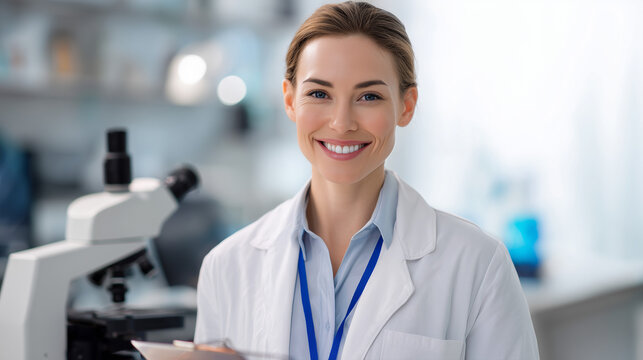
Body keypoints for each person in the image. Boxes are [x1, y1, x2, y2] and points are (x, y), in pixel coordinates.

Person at [195, 2, 539, 359]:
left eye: (369, 96)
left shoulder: (477, 265)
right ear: (289, 100)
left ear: (406, 106)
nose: (342, 122)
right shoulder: (227, 267)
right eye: (318, 94)